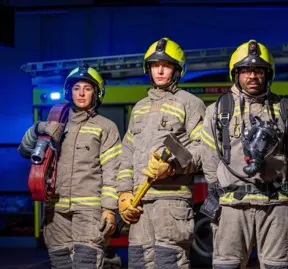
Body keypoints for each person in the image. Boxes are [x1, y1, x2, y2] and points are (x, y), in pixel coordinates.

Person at [201, 39, 288, 269]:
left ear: (268, 75)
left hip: (276, 205)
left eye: (258, 70)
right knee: (228, 265)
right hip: (231, 207)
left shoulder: (286, 109)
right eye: (246, 70)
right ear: (236, 74)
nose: (252, 76)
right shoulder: (219, 109)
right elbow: (208, 157)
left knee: (278, 265)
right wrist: (224, 187)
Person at [18, 64, 121, 268]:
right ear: (69, 92)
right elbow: (24, 151)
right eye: (76, 88)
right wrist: (38, 128)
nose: (81, 93)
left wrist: (109, 208)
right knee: (61, 264)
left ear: (97, 93)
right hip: (55, 211)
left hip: (89, 212)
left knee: (86, 263)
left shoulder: (106, 127)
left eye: (87, 88)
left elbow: (113, 170)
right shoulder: (55, 123)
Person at [115, 37, 205, 269]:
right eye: (155, 65)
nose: (160, 70)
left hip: (171, 203)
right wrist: (124, 194)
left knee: (169, 262)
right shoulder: (140, 107)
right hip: (139, 203)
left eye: (166, 65)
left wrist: (173, 165)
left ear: (177, 70)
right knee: (138, 262)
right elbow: (127, 153)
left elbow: (203, 149)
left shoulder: (190, 104)